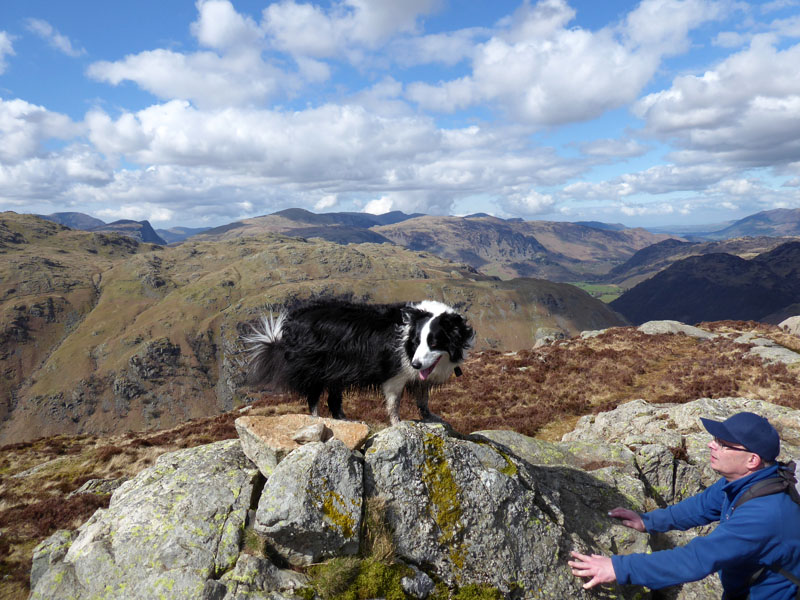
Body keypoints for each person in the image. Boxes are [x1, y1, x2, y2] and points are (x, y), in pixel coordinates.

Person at [568, 411, 800, 599]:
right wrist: (648, 521)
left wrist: (618, 568)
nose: (711, 444)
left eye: (723, 443)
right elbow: (700, 507)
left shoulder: (765, 514)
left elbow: (696, 560)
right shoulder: (742, 482)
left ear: (752, 460)